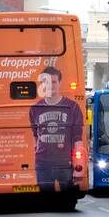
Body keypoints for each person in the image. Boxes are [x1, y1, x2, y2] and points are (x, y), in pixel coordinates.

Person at [29, 66, 83, 194]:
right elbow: (35, 136)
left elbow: (77, 139)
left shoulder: (73, 107)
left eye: (53, 82)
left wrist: (78, 167)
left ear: (59, 83)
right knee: (46, 200)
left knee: (69, 198)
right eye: (46, 82)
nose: (50, 85)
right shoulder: (35, 109)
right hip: (42, 164)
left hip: (65, 164)